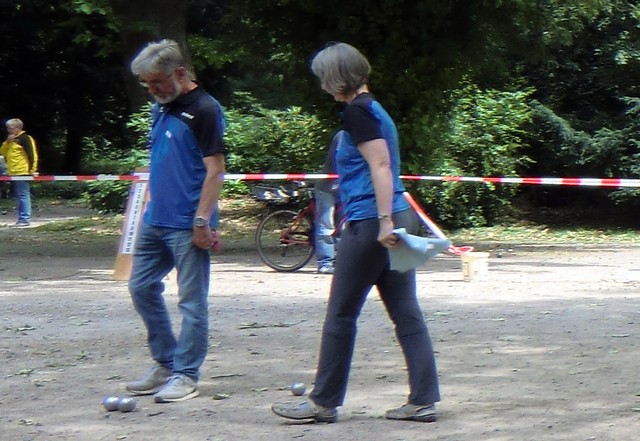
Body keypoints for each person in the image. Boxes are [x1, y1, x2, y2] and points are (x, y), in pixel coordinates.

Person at [271, 42, 441, 423]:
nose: (321, 85)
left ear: (337, 78)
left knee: (341, 314)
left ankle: (323, 402)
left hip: (371, 222)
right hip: (395, 215)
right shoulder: (376, 109)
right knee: (406, 312)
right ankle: (423, 400)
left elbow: (380, 165)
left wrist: (383, 222)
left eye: (323, 77)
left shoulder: (357, 113)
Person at [125, 39, 226, 403]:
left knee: (191, 302)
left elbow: (216, 171)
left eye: (157, 82)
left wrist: (202, 221)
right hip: (155, 219)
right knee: (140, 287)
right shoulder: (161, 107)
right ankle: (166, 363)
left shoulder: (205, 109)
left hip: (188, 223)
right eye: (147, 84)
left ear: (180, 73)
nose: (152, 90)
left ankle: (186, 374)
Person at [0, 118, 38, 227]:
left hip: (22, 171)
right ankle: (22, 218)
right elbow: (2, 152)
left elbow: (32, 155)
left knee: (23, 195)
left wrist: (32, 170)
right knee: (18, 195)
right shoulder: (10, 140)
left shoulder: (25, 138)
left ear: (18, 128)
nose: (8, 130)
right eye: (7, 128)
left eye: (10, 128)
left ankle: (24, 219)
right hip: (12, 172)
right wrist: (7, 142)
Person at [314, 130, 342, 274]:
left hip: (343, 189)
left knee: (343, 227)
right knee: (326, 227)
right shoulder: (343, 136)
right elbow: (341, 159)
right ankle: (324, 263)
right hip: (327, 188)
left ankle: (340, 261)